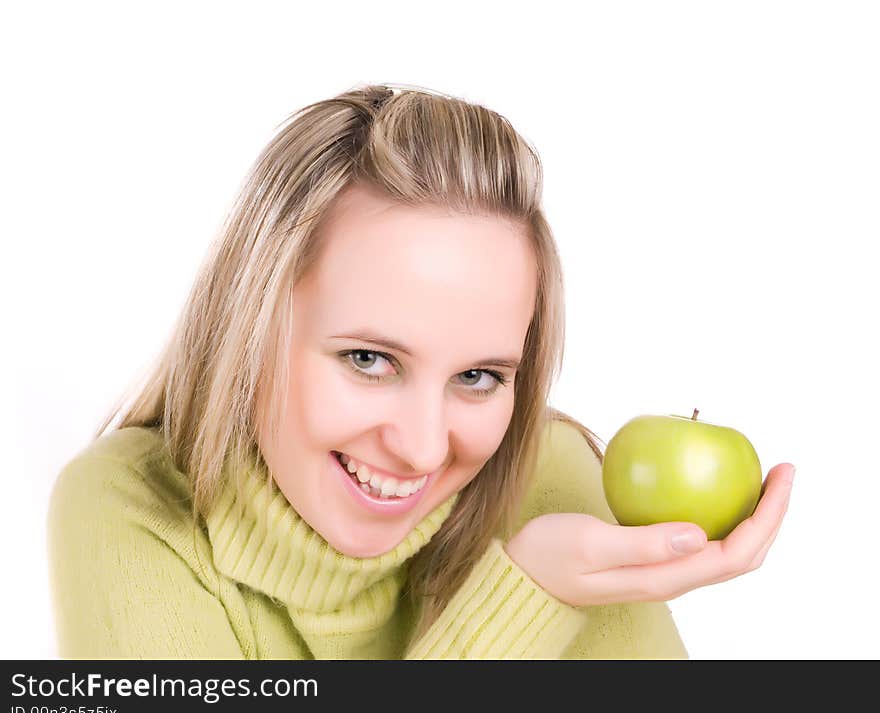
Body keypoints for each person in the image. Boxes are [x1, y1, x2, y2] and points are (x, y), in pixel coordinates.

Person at [47, 84, 794, 659]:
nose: (425, 449)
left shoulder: (551, 482)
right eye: (369, 360)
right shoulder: (128, 511)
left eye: (478, 377)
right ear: (251, 327)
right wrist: (524, 599)